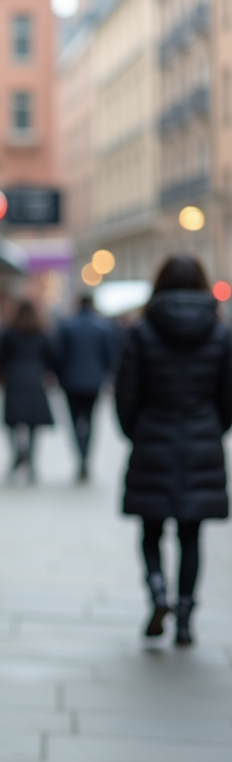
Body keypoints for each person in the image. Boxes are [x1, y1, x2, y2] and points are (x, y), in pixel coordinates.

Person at [114, 255, 232, 646]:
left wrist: (136, 431)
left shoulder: (143, 330)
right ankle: (184, 614)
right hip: (201, 437)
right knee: (190, 533)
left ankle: (157, 591)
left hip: (153, 435)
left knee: (150, 529)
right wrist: (214, 428)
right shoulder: (220, 332)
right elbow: (228, 397)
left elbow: (126, 392)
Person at [0, 300, 55, 483]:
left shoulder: (10, 333)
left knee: (13, 423)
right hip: (34, 380)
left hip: (14, 380)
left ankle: (19, 455)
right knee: (33, 425)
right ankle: (31, 461)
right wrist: (52, 374)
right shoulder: (41, 332)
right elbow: (51, 357)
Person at [54, 294, 114, 482]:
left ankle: (80, 457)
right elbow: (109, 357)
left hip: (71, 382)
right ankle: (86, 457)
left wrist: (58, 377)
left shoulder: (67, 326)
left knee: (74, 423)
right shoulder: (102, 327)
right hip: (93, 382)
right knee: (91, 422)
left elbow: (59, 355)